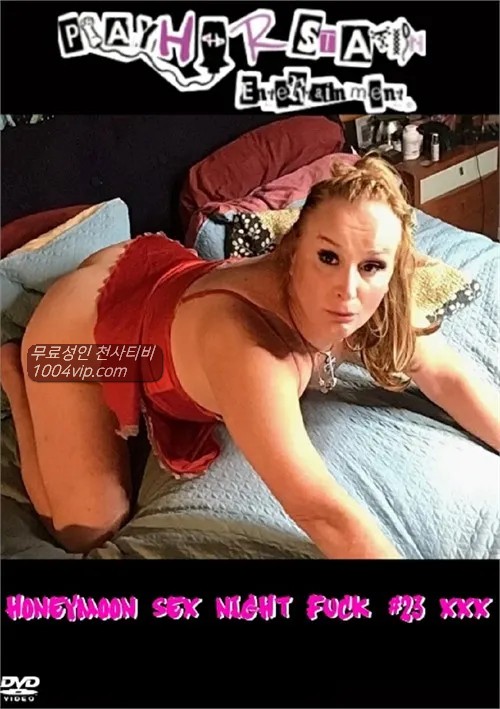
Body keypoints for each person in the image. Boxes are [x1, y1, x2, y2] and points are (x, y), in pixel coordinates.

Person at [1, 154, 499, 559]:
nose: (347, 292)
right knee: (89, 531)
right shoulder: (251, 352)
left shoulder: (377, 303)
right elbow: (322, 513)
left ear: (393, 269)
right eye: (328, 257)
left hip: (149, 273)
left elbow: (448, 378)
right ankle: (17, 376)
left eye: (371, 266)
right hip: (82, 333)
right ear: (294, 248)